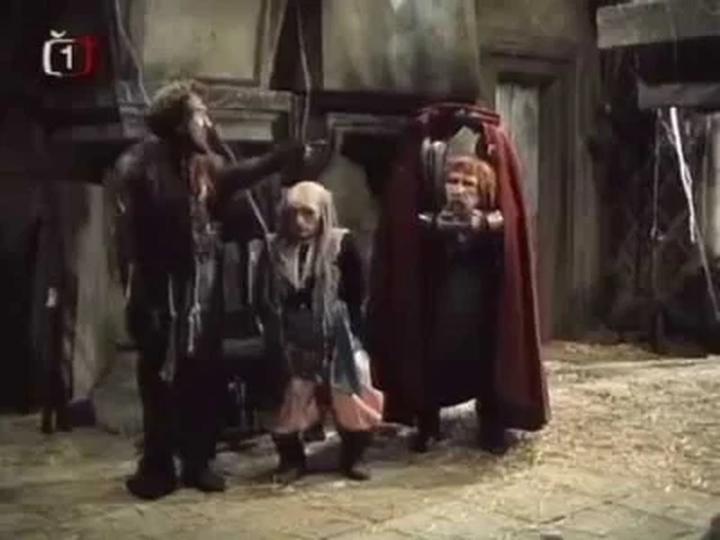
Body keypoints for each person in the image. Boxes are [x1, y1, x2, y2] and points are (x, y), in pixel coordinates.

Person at [107, 80, 307, 500]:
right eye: (200, 113)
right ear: (180, 122)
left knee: (204, 380)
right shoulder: (139, 166)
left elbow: (234, 177)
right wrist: (140, 299)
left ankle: (198, 462)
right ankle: (158, 468)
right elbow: (127, 242)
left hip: (203, 291)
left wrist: (279, 158)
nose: (207, 122)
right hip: (161, 294)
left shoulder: (204, 165)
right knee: (160, 385)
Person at [367, 103, 549, 454]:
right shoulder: (429, 217)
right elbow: (409, 235)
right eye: (453, 181)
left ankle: (491, 422)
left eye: (468, 183)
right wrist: (435, 227)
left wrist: (487, 226)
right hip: (440, 305)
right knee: (431, 358)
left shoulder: (495, 221)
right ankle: (428, 422)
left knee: (488, 361)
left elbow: (507, 241)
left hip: (480, 307)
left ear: (483, 189)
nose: (459, 189)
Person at [252, 181, 383, 484]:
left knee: (353, 390)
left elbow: (356, 296)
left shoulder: (341, 245)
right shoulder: (273, 249)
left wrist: (355, 340)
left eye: (308, 213)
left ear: (323, 214)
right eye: (293, 213)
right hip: (290, 334)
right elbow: (263, 298)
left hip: (336, 329)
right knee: (288, 398)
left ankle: (354, 456)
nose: (300, 222)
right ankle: (291, 459)